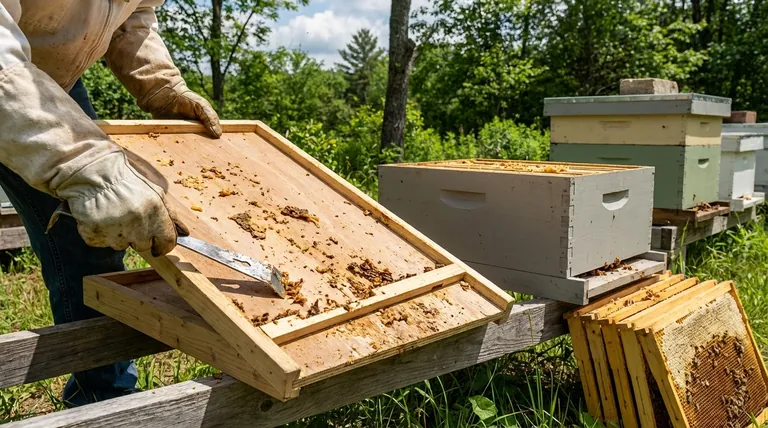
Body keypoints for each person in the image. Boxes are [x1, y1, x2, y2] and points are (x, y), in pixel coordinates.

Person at [0, 1, 221, 406]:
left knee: (90, 238)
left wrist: (161, 85)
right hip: (9, 71)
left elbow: (129, 17)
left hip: (48, 83)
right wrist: (82, 165)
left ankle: (102, 397)